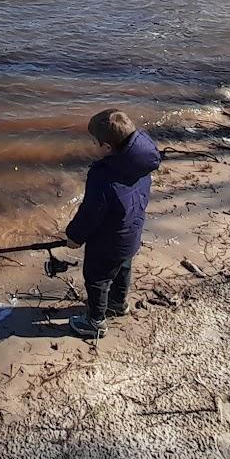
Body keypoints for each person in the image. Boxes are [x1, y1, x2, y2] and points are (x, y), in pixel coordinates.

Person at [60, 108, 161, 338]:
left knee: (97, 279)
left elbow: (90, 213)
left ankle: (95, 322)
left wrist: (74, 236)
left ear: (106, 147)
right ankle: (118, 303)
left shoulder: (102, 176)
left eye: (94, 142)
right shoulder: (141, 161)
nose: (92, 146)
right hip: (131, 233)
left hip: (107, 242)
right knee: (123, 268)